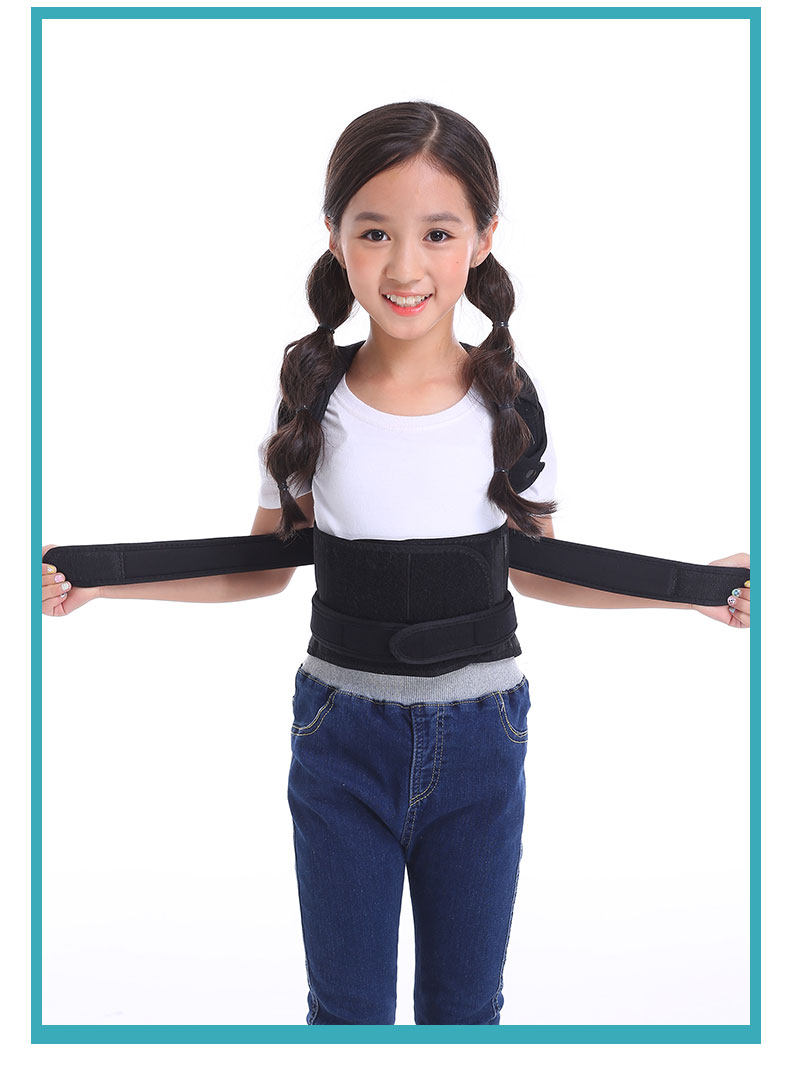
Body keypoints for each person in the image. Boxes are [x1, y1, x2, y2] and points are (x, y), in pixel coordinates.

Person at [41, 100, 751, 1026]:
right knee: (346, 1013)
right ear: (334, 237)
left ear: (484, 239)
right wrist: (102, 579)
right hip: (340, 733)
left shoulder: (510, 404)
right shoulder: (311, 399)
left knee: (466, 1009)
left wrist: (693, 591)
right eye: (375, 231)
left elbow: (538, 568)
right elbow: (265, 564)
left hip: (484, 736)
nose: (406, 266)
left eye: (438, 233)